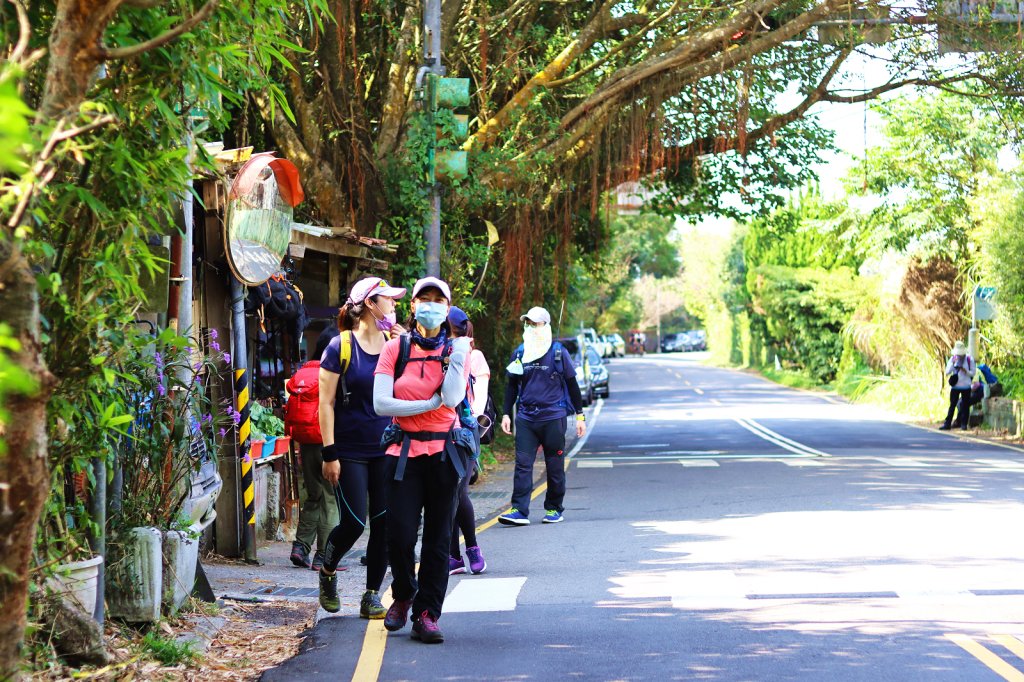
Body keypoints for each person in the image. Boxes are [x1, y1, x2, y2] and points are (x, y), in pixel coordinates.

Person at [374, 277, 472, 644]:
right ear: (413, 306)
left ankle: (427, 613)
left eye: (438, 300)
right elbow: (381, 404)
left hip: (444, 455)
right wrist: (427, 405)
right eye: (424, 299)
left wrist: (459, 354)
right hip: (403, 453)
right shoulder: (394, 349)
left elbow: (451, 397)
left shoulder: (455, 348)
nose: (430, 305)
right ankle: (403, 592)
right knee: (398, 534)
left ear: (447, 309)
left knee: (438, 539)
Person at [316, 277, 407, 618]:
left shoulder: (395, 345)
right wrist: (329, 453)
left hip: (386, 447)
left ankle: (371, 596)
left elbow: (407, 393)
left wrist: (405, 353)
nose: (395, 306)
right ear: (371, 304)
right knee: (354, 523)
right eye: (390, 300)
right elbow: (325, 404)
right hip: (349, 450)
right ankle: (328, 571)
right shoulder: (339, 346)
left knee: (384, 524)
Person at [498, 306, 586, 527]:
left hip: (553, 417)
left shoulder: (558, 352)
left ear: (545, 326)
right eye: (528, 323)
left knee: (554, 465)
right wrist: (506, 413)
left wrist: (580, 415)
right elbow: (511, 386)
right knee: (523, 465)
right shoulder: (520, 352)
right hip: (527, 418)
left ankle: (554, 508)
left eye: (536, 323)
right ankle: (519, 510)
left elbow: (573, 385)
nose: (531, 327)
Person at [289, 323, 341, 571]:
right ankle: (324, 556)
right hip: (328, 441)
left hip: (305, 442)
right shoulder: (332, 372)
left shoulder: (303, 372)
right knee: (331, 499)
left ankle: (300, 547)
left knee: (312, 496)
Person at [447, 307, 489, 576]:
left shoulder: (475, 357)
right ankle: (453, 556)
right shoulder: (432, 353)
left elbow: (480, 401)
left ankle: (472, 548)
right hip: (435, 431)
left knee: (459, 492)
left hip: (462, 432)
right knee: (444, 494)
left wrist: (465, 421)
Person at [941, 340, 975, 431]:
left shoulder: (969, 359)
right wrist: (953, 363)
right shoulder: (952, 359)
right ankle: (947, 423)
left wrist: (965, 370)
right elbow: (947, 372)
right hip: (955, 386)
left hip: (966, 386)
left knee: (965, 406)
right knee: (952, 405)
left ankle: (964, 424)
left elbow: (973, 373)